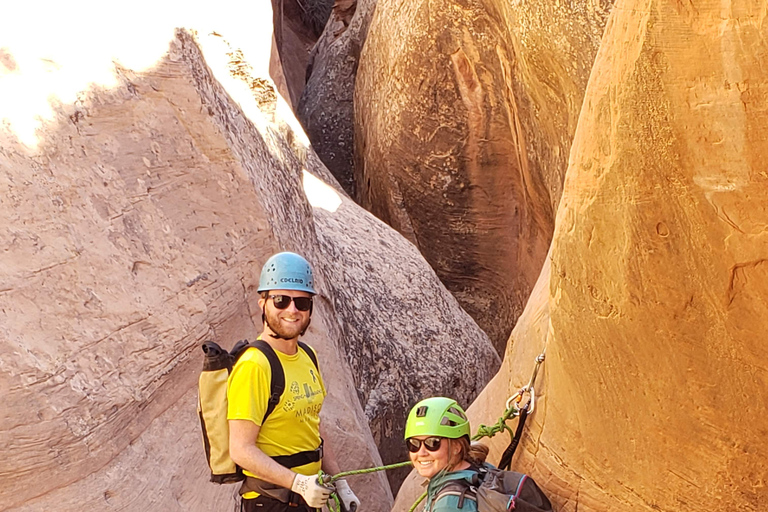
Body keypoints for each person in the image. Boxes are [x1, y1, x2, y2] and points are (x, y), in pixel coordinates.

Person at [228, 252, 360, 512]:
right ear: (262, 303)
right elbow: (241, 449)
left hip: (307, 500)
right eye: (281, 300)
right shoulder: (255, 365)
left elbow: (312, 428)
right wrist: (299, 483)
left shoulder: (308, 357)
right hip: (271, 502)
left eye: (301, 302)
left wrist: (340, 483)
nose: (292, 310)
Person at [404, 397, 490, 512]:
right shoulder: (480, 468)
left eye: (433, 442)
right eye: (413, 444)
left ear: (456, 447)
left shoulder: (449, 504)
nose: (421, 452)